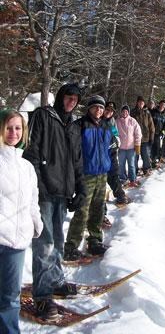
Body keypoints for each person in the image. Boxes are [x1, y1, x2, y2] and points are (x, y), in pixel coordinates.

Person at [23, 83, 86, 321]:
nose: (71, 102)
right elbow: (32, 153)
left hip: (63, 191)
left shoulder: (73, 124)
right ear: (61, 97)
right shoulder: (43, 116)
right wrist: (37, 187)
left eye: (75, 99)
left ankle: (56, 280)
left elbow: (77, 160)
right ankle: (42, 294)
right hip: (45, 189)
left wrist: (80, 187)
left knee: (58, 240)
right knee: (44, 243)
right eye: (68, 97)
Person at [0, 109, 43, 334]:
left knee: (9, 300)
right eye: (8, 127)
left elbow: (33, 199)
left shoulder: (26, 167)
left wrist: (36, 221)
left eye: (18, 128)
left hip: (16, 243)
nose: (13, 133)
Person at [64, 95, 114, 260]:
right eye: (95, 107)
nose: (98, 110)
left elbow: (111, 148)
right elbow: (73, 152)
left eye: (101, 108)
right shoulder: (80, 125)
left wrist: (111, 160)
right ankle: (71, 246)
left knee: (98, 210)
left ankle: (94, 241)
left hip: (102, 175)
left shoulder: (107, 126)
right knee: (82, 212)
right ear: (89, 108)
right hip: (86, 175)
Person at [104, 102, 130, 205]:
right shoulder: (98, 120)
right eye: (107, 110)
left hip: (112, 153)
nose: (109, 112)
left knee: (113, 175)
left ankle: (120, 195)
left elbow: (115, 133)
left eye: (111, 111)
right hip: (101, 155)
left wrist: (117, 140)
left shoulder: (112, 121)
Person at [116, 104, 142, 187]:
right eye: (123, 111)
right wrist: (116, 143)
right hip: (121, 148)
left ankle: (132, 179)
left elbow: (138, 133)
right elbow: (114, 133)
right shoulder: (117, 121)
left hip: (131, 148)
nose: (124, 113)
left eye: (126, 111)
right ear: (121, 112)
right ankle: (122, 178)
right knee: (121, 165)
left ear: (128, 112)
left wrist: (137, 145)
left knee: (131, 164)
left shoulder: (132, 121)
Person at [131, 95, 155, 176]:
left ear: (144, 103)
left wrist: (151, 138)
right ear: (137, 103)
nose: (141, 103)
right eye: (139, 102)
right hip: (135, 140)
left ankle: (146, 169)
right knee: (135, 156)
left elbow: (151, 126)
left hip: (145, 138)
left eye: (142, 102)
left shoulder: (147, 112)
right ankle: (135, 170)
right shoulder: (132, 112)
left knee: (146, 155)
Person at [151, 99, 165, 167]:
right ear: (159, 104)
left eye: (164, 105)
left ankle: (156, 160)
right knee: (152, 148)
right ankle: (152, 160)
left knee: (158, 148)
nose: (162, 106)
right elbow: (150, 122)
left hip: (159, 134)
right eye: (161, 104)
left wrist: (163, 132)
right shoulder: (154, 112)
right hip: (152, 133)